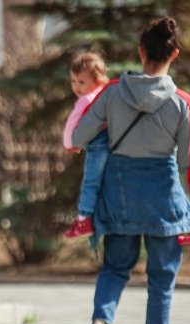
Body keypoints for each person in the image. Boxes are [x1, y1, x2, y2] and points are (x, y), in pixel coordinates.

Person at [71, 17, 190, 324]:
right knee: (161, 280)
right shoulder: (183, 103)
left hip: (120, 195)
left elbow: (78, 137)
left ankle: (101, 323)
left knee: (115, 269)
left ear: (141, 52)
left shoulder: (112, 93)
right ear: (175, 54)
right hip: (163, 200)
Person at [62, 51, 110, 239]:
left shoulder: (86, 100)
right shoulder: (106, 95)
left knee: (90, 182)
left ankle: (83, 220)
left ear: (97, 80)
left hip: (97, 146)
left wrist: (69, 143)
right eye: (74, 81)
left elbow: (72, 123)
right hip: (114, 144)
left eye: (82, 82)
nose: (77, 87)